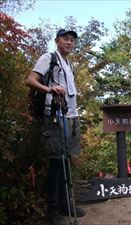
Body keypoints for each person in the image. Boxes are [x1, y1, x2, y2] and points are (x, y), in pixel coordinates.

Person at [26, 29, 85, 225]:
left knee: (65, 161)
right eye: (65, 39)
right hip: (55, 115)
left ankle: (64, 205)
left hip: (71, 116)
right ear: (57, 40)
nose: (69, 42)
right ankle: (53, 211)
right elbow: (30, 80)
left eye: (72, 40)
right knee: (56, 162)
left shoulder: (68, 63)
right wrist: (49, 89)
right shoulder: (48, 57)